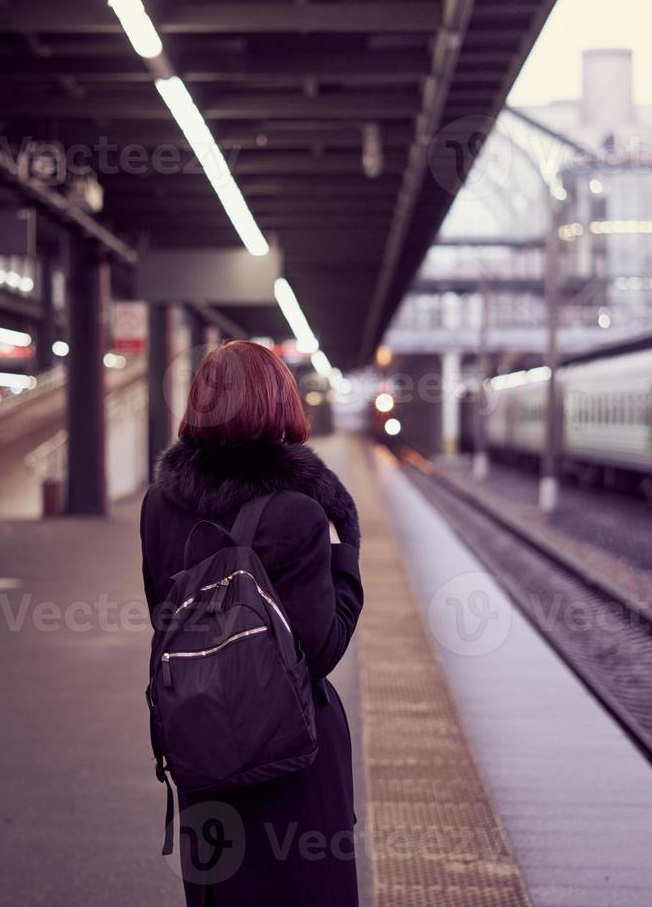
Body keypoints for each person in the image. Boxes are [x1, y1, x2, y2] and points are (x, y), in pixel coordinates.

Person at [140, 340, 364, 907]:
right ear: (279, 405)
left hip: (200, 743)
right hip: (289, 758)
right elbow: (322, 647)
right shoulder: (299, 513)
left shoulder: (159, 505)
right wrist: (346, 557)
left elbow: (166, 619)